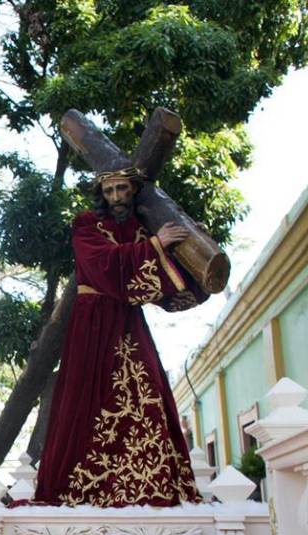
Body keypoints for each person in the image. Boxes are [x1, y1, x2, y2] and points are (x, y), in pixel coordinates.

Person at [34, 167, 204, 507]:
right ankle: (81, 487)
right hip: (92, 321)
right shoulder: (86, 224)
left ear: (133, 190)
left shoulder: (140, 229)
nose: (116, 197)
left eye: (122, 189)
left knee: (145, 391)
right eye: (109, 191)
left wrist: (189, 254)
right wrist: (155, 245)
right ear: (101, 194)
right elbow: (102, 264)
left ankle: (148, 482)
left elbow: (154, 281)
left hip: (127, 320)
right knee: (86, 396)